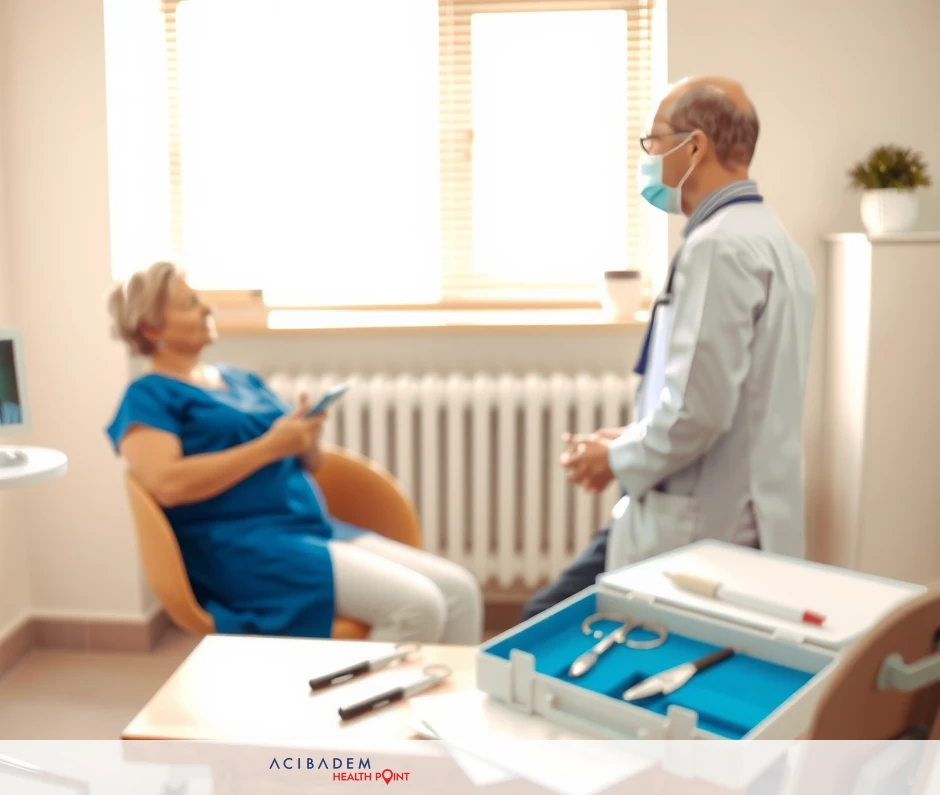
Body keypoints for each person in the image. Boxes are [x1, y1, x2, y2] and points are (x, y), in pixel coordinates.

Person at [523, 76, 816, 620]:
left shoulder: (719, 248)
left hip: (702, 529)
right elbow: (732, 399)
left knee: (544, 628)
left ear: (695, 146)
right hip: (741, 516)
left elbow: (696, 413)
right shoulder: (776, 242)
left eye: (655, 140)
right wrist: (629, 440)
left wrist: (613, 455)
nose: (650, 155)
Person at [105, 261, 483, 643]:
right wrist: (270, 446)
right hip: (248, 549)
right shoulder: (148, 396)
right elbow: (167, 484)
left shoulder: (240, 378)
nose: (206, 309)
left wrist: (305, 439)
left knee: (460, 591)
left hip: (312, 529)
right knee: (418, 606)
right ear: (151, 328)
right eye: (189, 304)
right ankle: (366, 701)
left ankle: (442, 701)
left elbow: (310, 463)